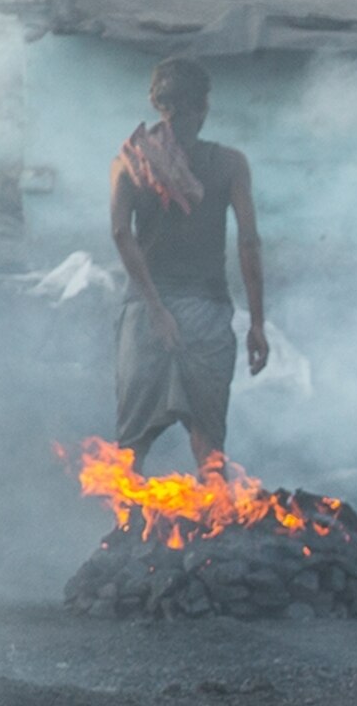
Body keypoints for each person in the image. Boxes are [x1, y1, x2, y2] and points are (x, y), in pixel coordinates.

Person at [108, 56, 266, 468]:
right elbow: (249, 242)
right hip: (207, 315)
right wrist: (258, 325)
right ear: (204, 107)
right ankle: (218, 532)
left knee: (131, 450)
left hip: (145, 314)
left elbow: (122, 234)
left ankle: (125, 530)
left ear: (157, 104)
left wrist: (158, 311)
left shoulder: (128, 161)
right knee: (209, 450)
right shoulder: (230, 164)